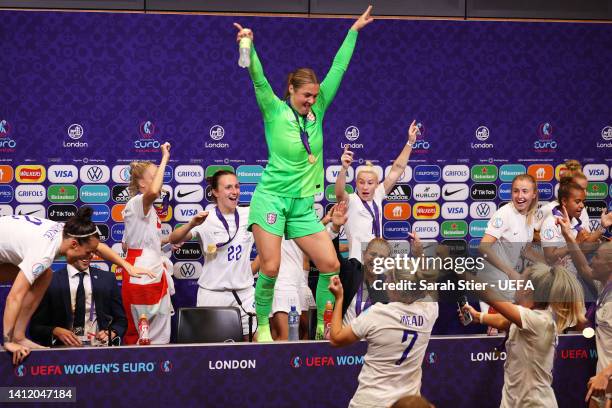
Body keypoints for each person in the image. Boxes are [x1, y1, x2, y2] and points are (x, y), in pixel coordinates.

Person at [233, 5, 374, 341]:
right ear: (291, 92)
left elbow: (338, 68)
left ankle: (326, 324)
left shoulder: (319, 108)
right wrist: (248, 46)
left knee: (330, 264)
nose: (312, 100)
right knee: (270, 266)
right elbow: (257, 77)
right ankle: (264, 324)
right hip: (271, 198)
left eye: (314, 95)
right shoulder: (274, 110)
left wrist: (353, 32)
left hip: (301, 205)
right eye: (306, 95)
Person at [0, 207, 151, 364]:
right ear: (74, 245)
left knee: (45, 275)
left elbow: (98, 247)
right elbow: (14, 297)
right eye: (88, 252)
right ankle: (13, 338)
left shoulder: (68, 233)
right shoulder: (43, 253)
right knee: (43, 275)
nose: (90, 256)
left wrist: (127, 266)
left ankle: (19, 336)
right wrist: (7, 341)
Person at [460, 263, 586, 407]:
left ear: (527, 290)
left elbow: (489, 295)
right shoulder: (530, 318)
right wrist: (478, 316)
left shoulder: (539, 320)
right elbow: (503, 321)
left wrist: (456, 270)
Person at [328, 264, 438, 408]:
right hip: (406, 403)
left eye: (387, 279)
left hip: (371, 402)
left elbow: (336, 338)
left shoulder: (377, 313)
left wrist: (339, 298)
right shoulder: (430, 310)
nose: (384, 283)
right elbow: (431, 288)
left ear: (395, 286)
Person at [169, 170, 259, 340]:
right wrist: (191, 225)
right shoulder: (205, 218)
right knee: (212, 349)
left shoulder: (250, 214)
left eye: (237, 186)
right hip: (213, 294)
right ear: (215, 192)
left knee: (255, 344)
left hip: (245, 293)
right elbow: (175, 238)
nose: (235, 191)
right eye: (228, 187)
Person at [335, 120, 419, 262]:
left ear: (376, 185)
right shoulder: (351, 200)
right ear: (356, 183)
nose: (365, 187)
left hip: (379, 261)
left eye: (370, 183)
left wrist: (410, 142)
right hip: (358, 265)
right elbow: (338, 192)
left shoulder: (378, 194)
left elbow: (397, 169)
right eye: (361, 182)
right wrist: (343, 169)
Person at [556, 209, 612, 407]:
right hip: (601, 383)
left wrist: (606, 375)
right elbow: (581, 266)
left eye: (596, 258)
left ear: (609, 266)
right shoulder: (603, 286)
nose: (592, 261)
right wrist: (567, 236)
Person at [121, 142, 175, 344]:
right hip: (144, 275)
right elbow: (153, 192)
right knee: (141, 337)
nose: (159, 183)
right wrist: (164, 159)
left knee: (158, 336)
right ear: (143, 185)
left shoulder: (146, 210)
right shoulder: (138, 202)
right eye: (154, 178)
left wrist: (168, 242)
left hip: (151, 271)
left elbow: (131, 244)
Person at [29, 257, 127, 347]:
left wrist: (112, 332)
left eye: (90, 252)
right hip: (62, 352)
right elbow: (35, 328)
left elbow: (121, 320)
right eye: (82, 252)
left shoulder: (107, 279)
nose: (86, 256)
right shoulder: (51, 281)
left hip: (100, 349)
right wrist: (56, 331)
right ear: (70, 250)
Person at [479, 174, 539, 300]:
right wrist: (511, 272)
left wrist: (551, 264)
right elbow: (483, 248)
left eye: (525, 191)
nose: (520, 196)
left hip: (506, 279)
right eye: (515, 191)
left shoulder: (530, 216)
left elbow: (526, 251)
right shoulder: (504, 214)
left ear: (534, 194)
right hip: (492, 280)